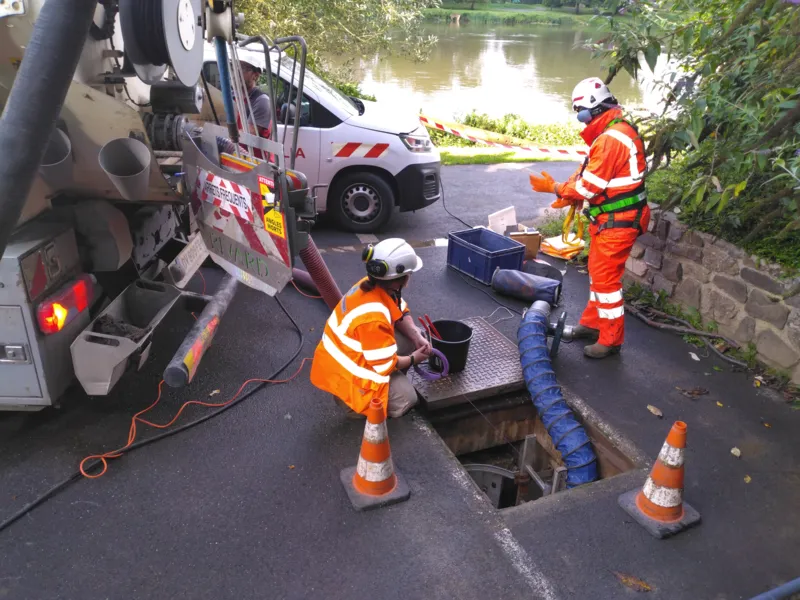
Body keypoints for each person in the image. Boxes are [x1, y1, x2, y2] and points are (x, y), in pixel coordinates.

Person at [529, 77, 650, 359]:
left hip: (617, 222)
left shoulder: (610, 139)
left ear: (594, 109)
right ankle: (593, 325)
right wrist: (567, 190)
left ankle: (610, 340)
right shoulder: (611, 132)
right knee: (598, 278)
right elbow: (588, 175)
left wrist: (557, 188)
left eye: (581, 112)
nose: (580, 119)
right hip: (609, 220)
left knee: (607, 284)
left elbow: (588, 187)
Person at [310, 239, 433, 419]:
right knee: (407, 398)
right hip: (348, 378)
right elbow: (386, 365)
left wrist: (416, 337)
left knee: (414, 336)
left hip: (353, 355)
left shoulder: (373, 285)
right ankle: (351, 405)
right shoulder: (374, 318)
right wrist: (415, 358)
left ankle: (390, 383)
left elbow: (400, 311)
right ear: (403, 279)